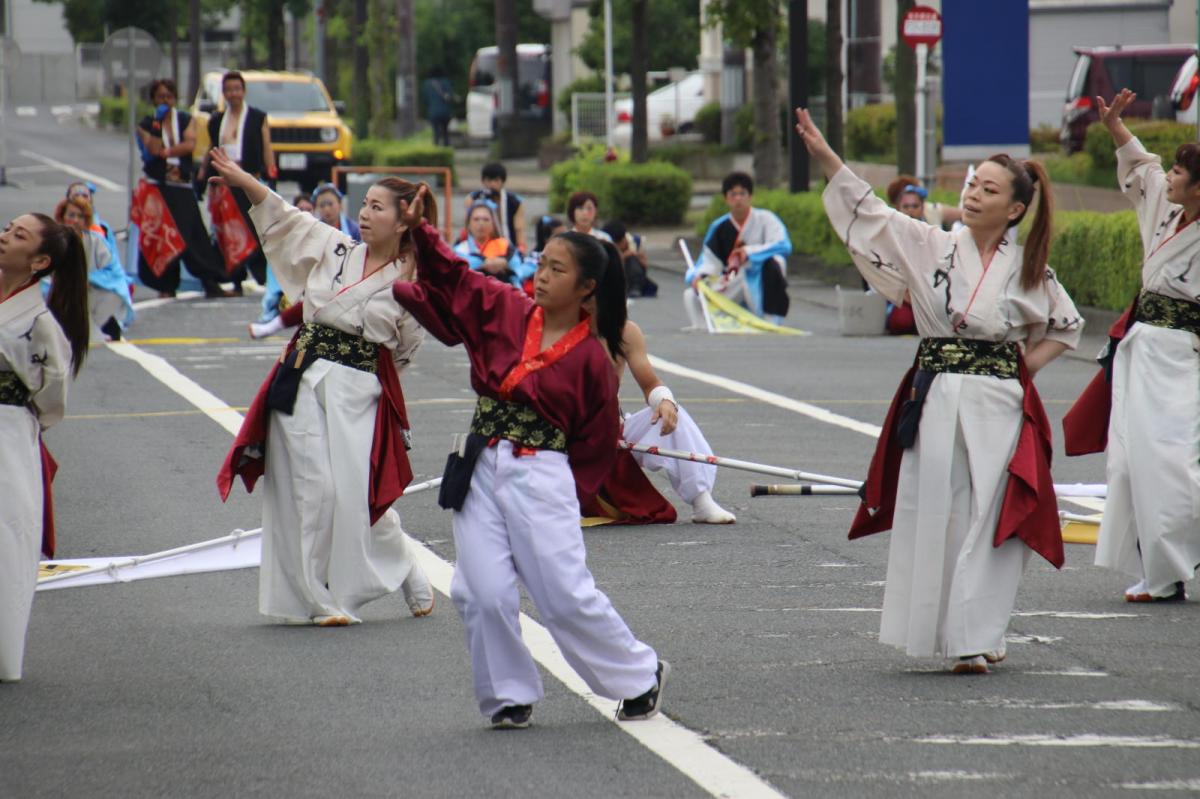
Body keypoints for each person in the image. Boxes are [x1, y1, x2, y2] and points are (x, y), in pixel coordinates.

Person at [795, 107, 1084, 673]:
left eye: (990, 189)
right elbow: (870, 212)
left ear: (1016, 209)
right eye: (973, 184)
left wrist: (1022, 369)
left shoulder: (1030, 267)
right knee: (941, 511)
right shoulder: (929, 242)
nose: (974, 194)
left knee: (993, 511)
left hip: (999, 398)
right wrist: (828, 157)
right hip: (937, 394)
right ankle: (950, 630)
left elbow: (1066, 328)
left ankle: (978, 632)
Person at [392, 206, 668, 729]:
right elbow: (454, 276)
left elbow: (596, 442)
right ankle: (508, 695)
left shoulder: (592, 357)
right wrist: (420, 231)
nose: (541, 275)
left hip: (543, 474)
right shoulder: (506, 307)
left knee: (563, 595)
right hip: (479, 462)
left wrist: (565, 489)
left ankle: (640, 673)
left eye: (557, 270)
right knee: (479, 590)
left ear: (587, 288)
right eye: (541, 263)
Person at [211, 147, 435, 627]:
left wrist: (366, 370)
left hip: (360, 391)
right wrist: (243, 180)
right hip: (303, 375)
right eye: (366, 204)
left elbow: (406, 349)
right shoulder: (335, 247)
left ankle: (405, 564)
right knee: (317, 488)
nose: (365, 213)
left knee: (355, 493)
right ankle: (319, 599)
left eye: (378, 207)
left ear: (402, 222)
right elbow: (284, 219)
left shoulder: (411, 281)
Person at [1083, 89, 1200, 602]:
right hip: (1143, 348)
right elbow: (1142, 166)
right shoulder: (1164, 211)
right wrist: (1114, 126)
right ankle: (1160, 573)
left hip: (1184, 355)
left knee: (1175, 463)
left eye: (1181, 173)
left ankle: (1178, 561)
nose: (1170, 176)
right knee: (1132, 462)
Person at [0, 212, 90, 683]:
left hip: (9, 432)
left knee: (7, 538)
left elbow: (52, 400)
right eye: (7, 229)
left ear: (39, 261)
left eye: (17, 236)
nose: (4, 238)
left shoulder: (39, 322)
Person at [582, 306, 736, 525]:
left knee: (673, 416)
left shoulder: (624, 332)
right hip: (559, 439)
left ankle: (701, 501)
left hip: (610, 433)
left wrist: (664, 401)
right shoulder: (546, 328)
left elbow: (650, 384)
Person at [135, 78, 237, 299]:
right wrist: (157, 123)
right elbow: (152, 148)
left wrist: (167, 152)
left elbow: (190, 144)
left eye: (169, 96)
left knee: (194, 235)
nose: (165, 100)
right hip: (159, 190)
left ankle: (210, 281)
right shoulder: (146, 124)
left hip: (181, 186)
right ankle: (166, 285)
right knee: (164, 238)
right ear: (153, 99)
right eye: (160, 96)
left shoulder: (184, 119)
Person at [685, 172, 792, 329]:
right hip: (732, 281)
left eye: (742, 194)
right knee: (692, 294)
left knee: (776, 261)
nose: (738, 199)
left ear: (750, 196)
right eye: (733, 194)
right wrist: (700, 276)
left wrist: (748, 252)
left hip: (760, 278)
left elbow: (783, 245)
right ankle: (703, 324)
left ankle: (770, 317)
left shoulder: (766, 220)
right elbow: (709, 260)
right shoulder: (719, 227)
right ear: (726, 198)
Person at [204, 70, 276, 286]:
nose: (233, 94)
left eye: (237, 89)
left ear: (243, 91)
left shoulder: (257, 117)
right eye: (228, 90)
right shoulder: (216, 120)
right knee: (229, 234)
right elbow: (211, 147)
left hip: (250, 179)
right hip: (226, 184)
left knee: (257, 230)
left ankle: (264, 276)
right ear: (223, 93)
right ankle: (235, 277)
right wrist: (203, 175)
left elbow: (267, 147)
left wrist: (271, 174)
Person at [54, 197, 134, 340]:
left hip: (91, 290)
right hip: (60, 294)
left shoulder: (96, 240)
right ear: (62, 216)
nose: (76, 220)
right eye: (71, 215)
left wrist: (90, 280)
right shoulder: (53, 241)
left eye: (81, 216)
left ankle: (94, 328)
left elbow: (112, 270)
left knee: (114, 294)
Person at [454, 202, 528, 288]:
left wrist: (505, 263)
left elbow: (518, 268)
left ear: (493, 224)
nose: (481, 223)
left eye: (486, 219)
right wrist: (484, 264)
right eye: (476, 219)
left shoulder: (504, 245)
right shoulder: (460, 249)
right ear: (468, 224)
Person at [464, 162, 526, 254]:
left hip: (507, 249)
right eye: (489, 180)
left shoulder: (515, 202)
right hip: (478, 249)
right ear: (483, 181)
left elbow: (519, 229)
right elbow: (468, 226)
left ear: (502, 181)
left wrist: (521, 249)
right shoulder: (472, 199)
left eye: (496, 180)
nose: (492, 184)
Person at [66, 182, 124, 278]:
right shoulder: (58, 232)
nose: (81, 198)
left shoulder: (103, 228)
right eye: (76, 195)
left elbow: (113, 260)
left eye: (85, 195)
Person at [602, 220, 656, 298]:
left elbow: (645, 266)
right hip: (614, 277)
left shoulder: (635, 242)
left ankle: (635, 287)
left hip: (632, 276)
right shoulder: (605, 243)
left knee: (632, 259)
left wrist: (639, 258)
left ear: (623, 240)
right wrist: (624, 255)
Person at [422, 66, 455, 148]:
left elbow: (425, 99)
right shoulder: (446, 82)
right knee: (445, 132)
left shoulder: (427, 84)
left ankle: (436, 148)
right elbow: (450, 97)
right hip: (445, 112)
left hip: (433, 112)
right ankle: (446, 148)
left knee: (436, 133)